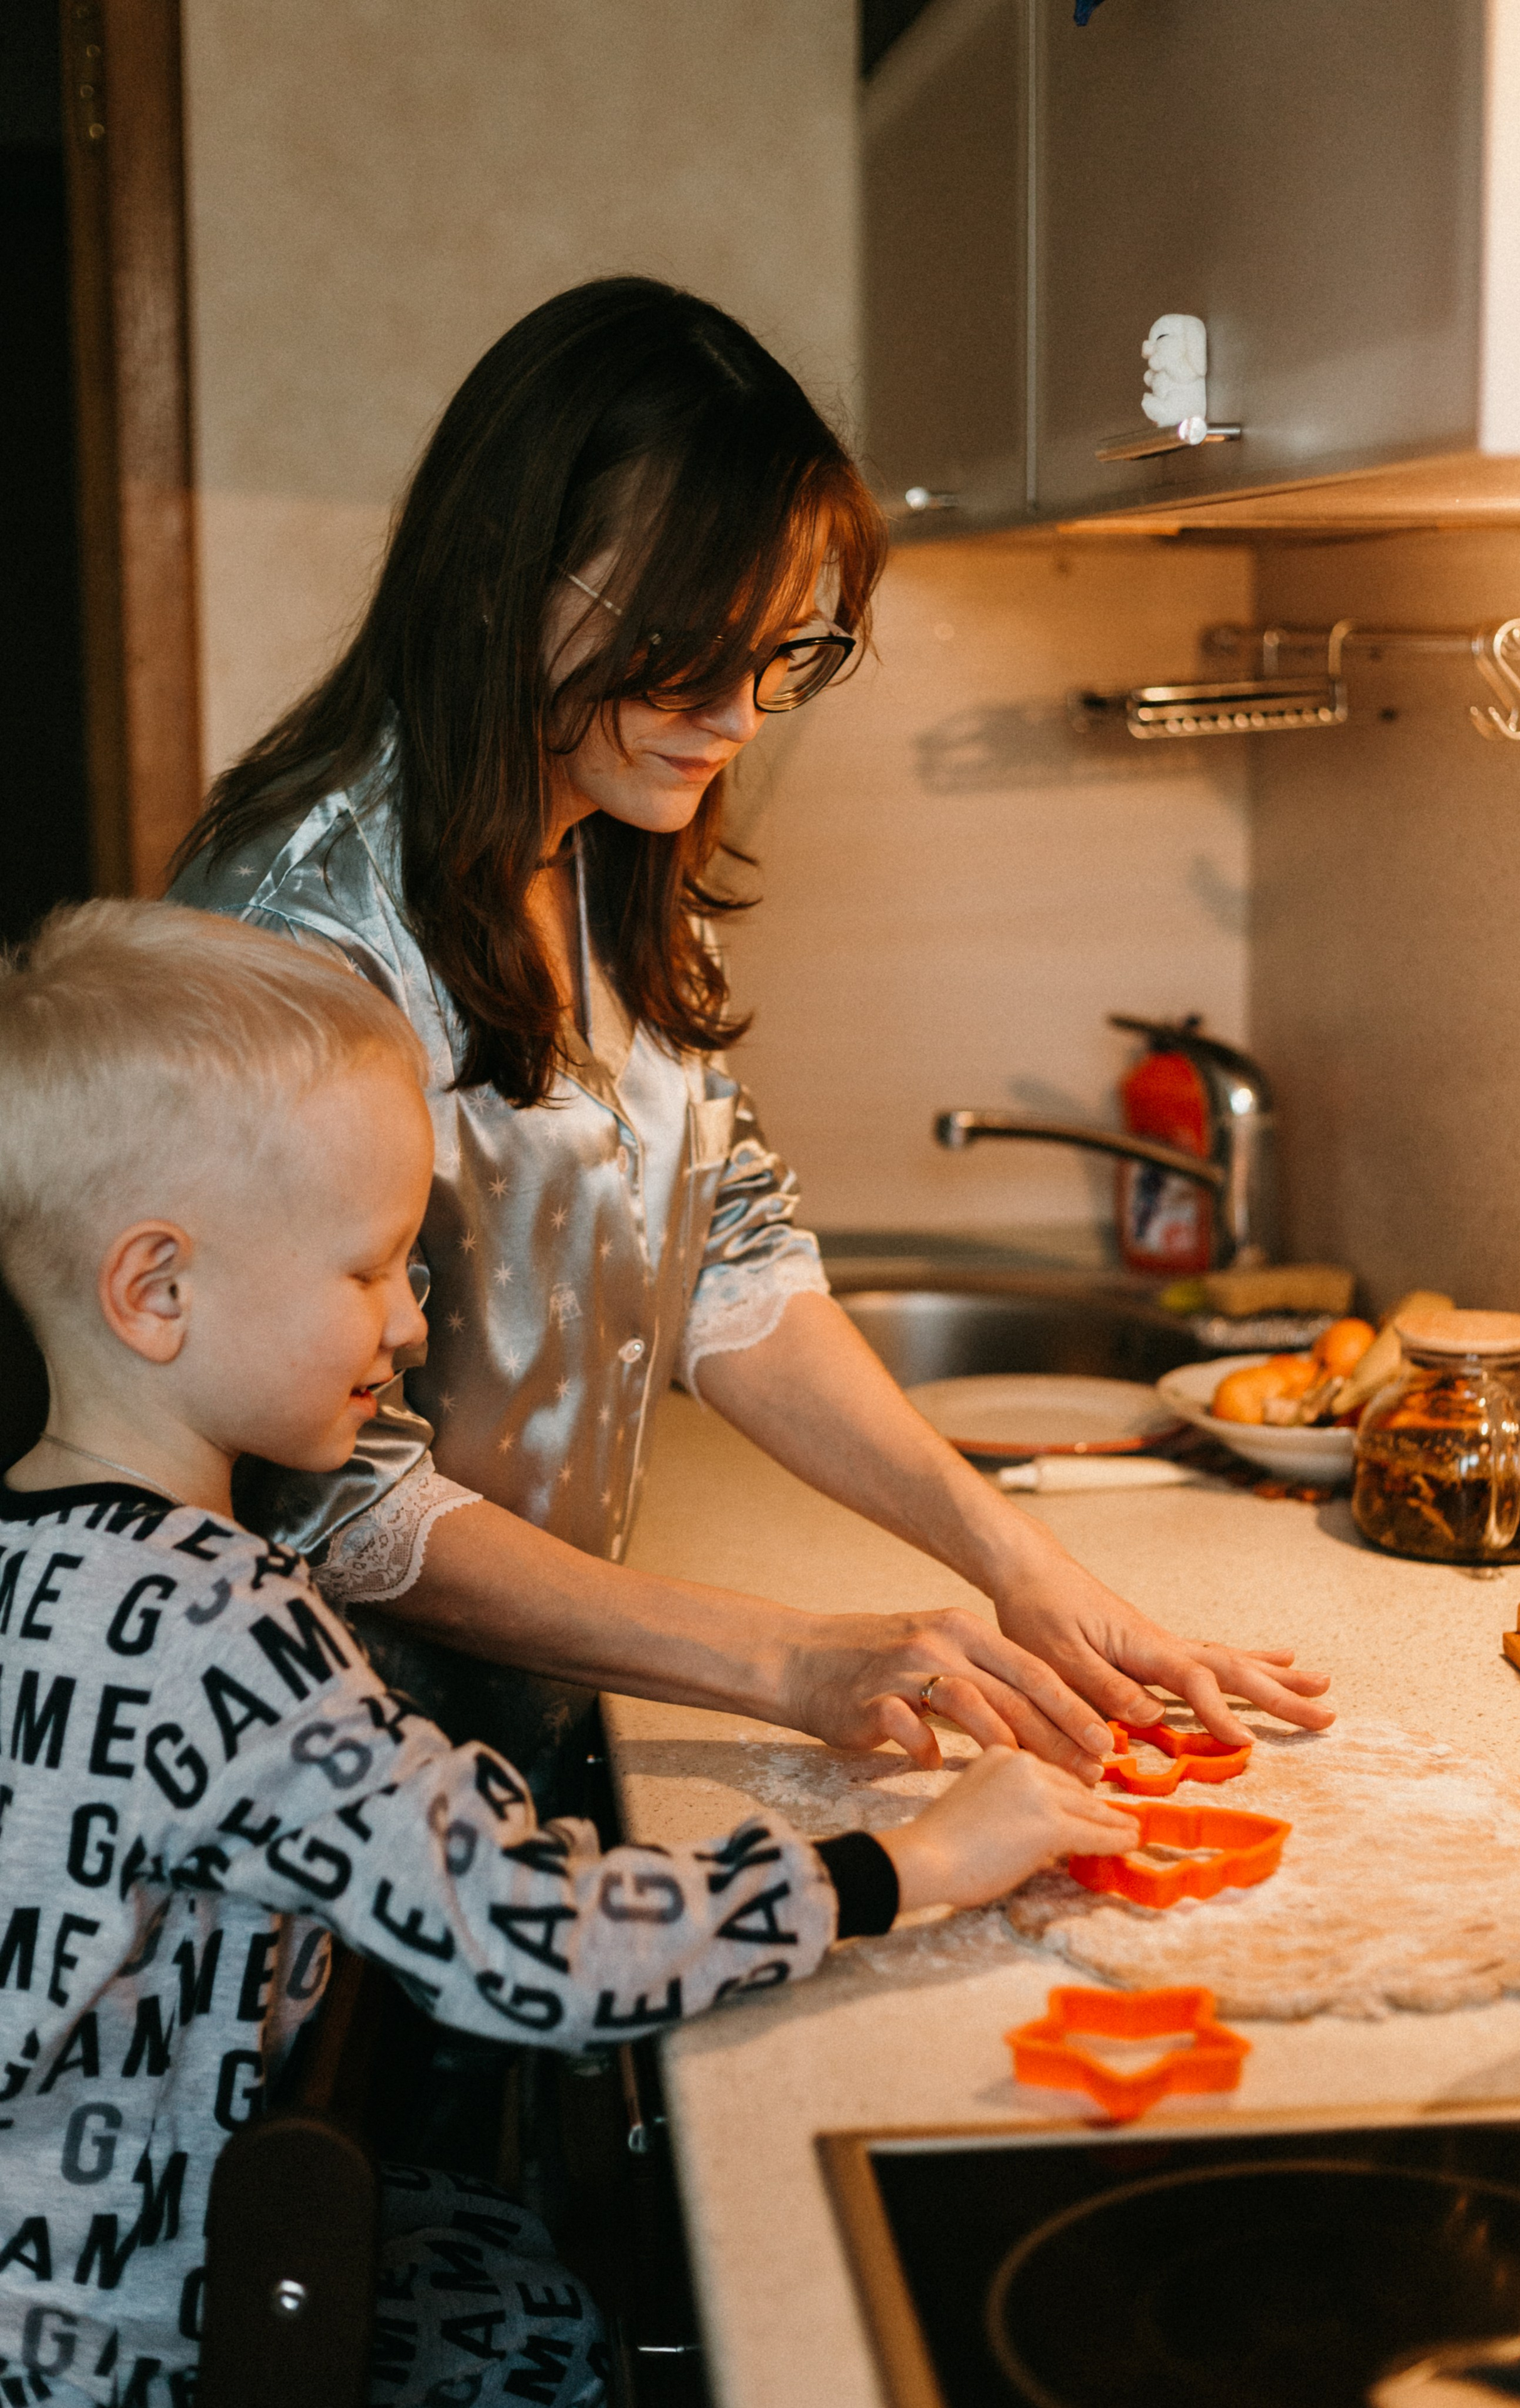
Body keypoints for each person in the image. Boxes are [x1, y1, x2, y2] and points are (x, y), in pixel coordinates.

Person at [169, 275, 1331, 1796]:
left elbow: (729, 1259)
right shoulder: (290, 931)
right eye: (683, 647)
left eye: (785, 652)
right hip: (314, 1771)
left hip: (518, 1728)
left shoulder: (604, 844)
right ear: (499, 575)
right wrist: (787, 1658)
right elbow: (323, 1488)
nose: (738, 716)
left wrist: (1023, 1568)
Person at [0, 899, 1137, 2408]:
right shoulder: (220, 1629)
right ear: (158, 1291)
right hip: (140, 2355)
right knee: (577, 2332)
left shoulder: (40, 1562)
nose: (410, 1326)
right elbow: (523, 1939)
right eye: (367, 1271)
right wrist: (908, 1864)